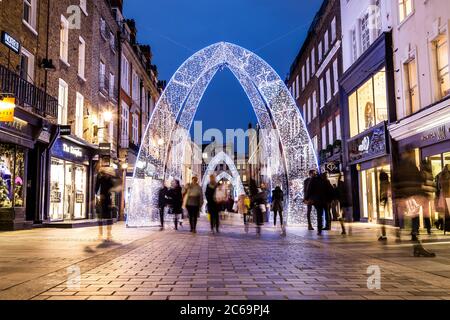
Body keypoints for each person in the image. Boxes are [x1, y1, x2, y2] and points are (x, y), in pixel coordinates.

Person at [393, 152, 435, 257]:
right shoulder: (411, 167)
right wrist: (424, 194)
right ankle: (417, 247)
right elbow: (418, 181)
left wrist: (398, 198)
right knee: (414, 222)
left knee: (413, 222)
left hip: (406, 197)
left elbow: (395, 183)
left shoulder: (398, 167)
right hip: (412, 197)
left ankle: (416, 246)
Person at [305, 171, 333, 235]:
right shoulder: (326, 181)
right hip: (325, 200)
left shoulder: (313, 180)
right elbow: (331, 190)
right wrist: (330, 199)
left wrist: (306, 198)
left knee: (319, 215)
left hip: (317, 201)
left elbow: (309, 190)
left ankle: (319, 230)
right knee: (327, 213)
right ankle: (328, 226)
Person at [95, 167, 115, 242]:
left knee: (104, 218)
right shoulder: (102, 177)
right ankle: (105, 234)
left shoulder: (108, 178)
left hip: (104, 199)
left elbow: (96, 188)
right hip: (104, 199)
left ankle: (105, 234)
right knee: (104, 218)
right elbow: (96, 188)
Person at [378, 170, 391, 240]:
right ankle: (383, 235)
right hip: (385, 201)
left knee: (382, 219)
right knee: (382, 219)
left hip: (383, 202)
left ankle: (384, 235)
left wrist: (381, 204)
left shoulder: (383, 183)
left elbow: (383, 194)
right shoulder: (388, 183)